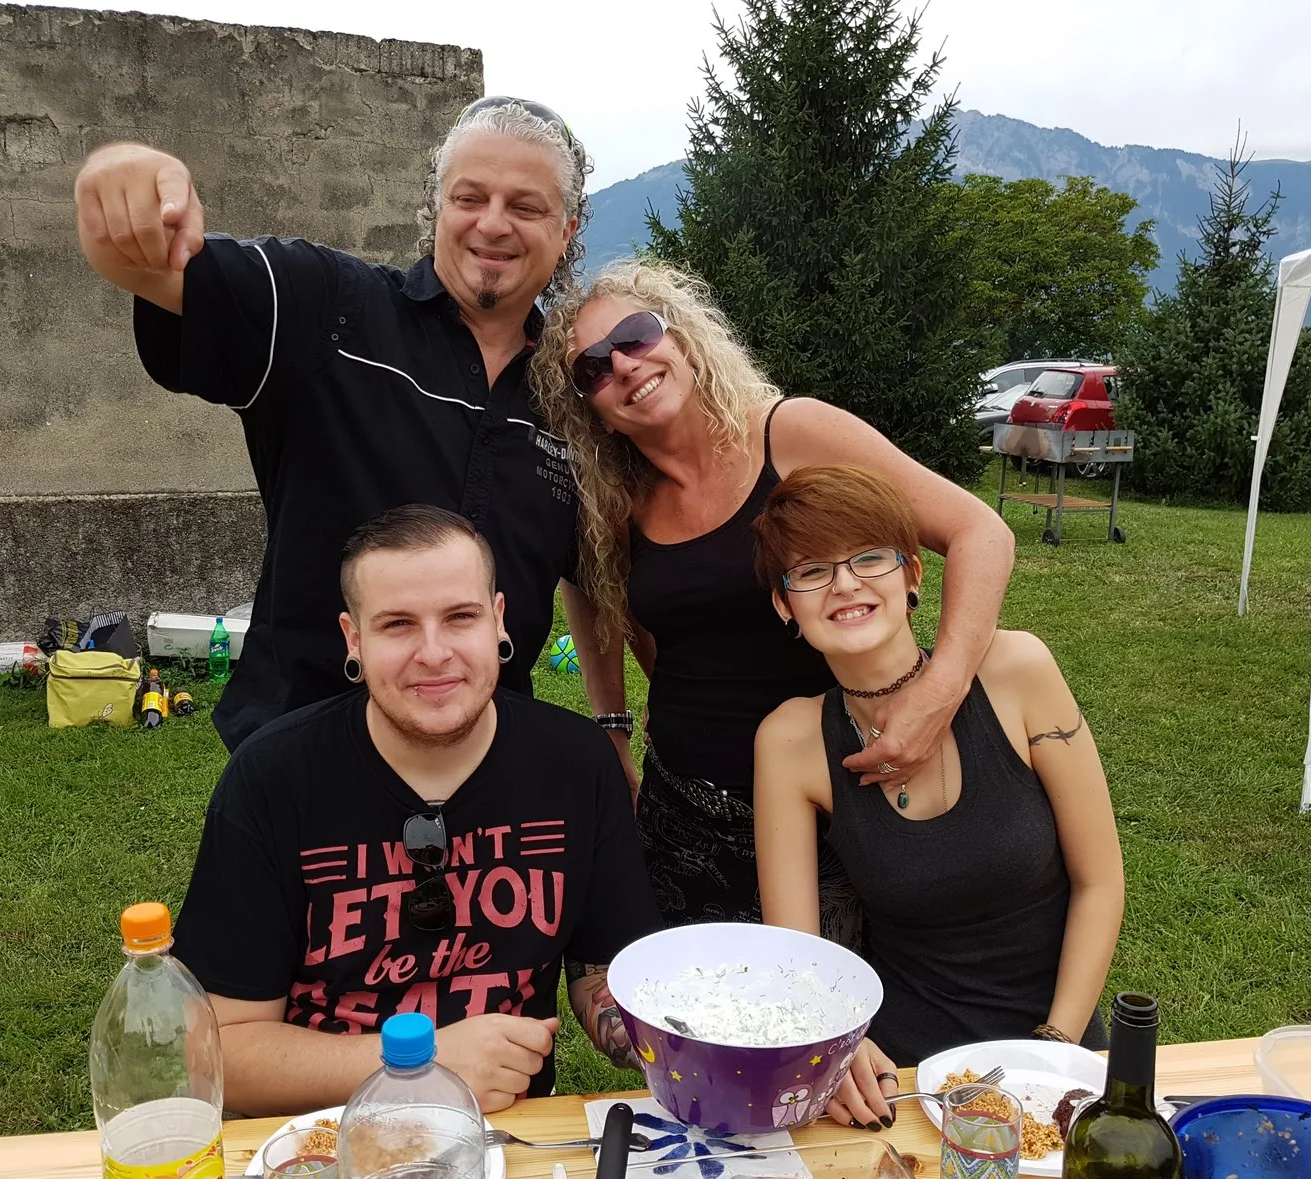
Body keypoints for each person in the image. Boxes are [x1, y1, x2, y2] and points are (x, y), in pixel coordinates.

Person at [73, 99, 635, 780]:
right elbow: (154, 268)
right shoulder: (329, 310)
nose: (492, 223)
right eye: (470, 197)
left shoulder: (574, 400)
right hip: (306, 771)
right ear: (437, 206)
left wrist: (612, 726)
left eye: (525, 206)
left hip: (487, 776)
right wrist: (122, 170)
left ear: (566, 229)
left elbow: (591, 573)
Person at [529, 261, 1015, 926]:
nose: (623, 365)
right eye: (592, 368)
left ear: (682, 339)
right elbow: (596, 596)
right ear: (595, 414)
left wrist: (941, 690)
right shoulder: (617, 502)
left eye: (635, 334)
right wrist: (613, 727)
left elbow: (980, 532)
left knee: (843, 987)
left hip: (842, 798)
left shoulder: (791, 435)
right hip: (687, 817)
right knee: (699, 991)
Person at [171, 504, 661, 1115]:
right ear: (354, 638)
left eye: (460, 617)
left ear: (498, 621)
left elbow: (602, 970)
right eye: (398, 624)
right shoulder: (273, 777)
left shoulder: (576, 763)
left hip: (506, 1136)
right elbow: (214, 1053)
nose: (433, 653)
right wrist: (423, 1064)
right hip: (319, 1137)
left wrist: (668, 1034)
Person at [750, 464, 1125, 1128]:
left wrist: (1054, 1051)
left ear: (913, 576)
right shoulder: (791, 741)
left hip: (1058, 1055)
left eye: (869, 558)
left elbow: (1100, 882)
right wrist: (839, 1043)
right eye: (811, 571)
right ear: (785, 606)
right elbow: (797, 955)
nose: (845, 584)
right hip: (902, 1078)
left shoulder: (1017, 673)